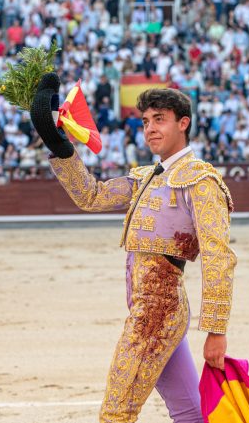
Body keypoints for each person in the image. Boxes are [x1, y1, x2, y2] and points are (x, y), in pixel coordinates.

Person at [30, 73, 236, 423]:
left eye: (160, 120)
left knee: (117, 412)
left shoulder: (200, 181)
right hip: (152, 310)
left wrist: (216, 331)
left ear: (183, 123)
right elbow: (91, 196)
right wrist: (59, 143)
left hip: (156, 314)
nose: (150, 128)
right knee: (190, 412)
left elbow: (219, 258)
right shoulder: (146, 176)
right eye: (145, 121)